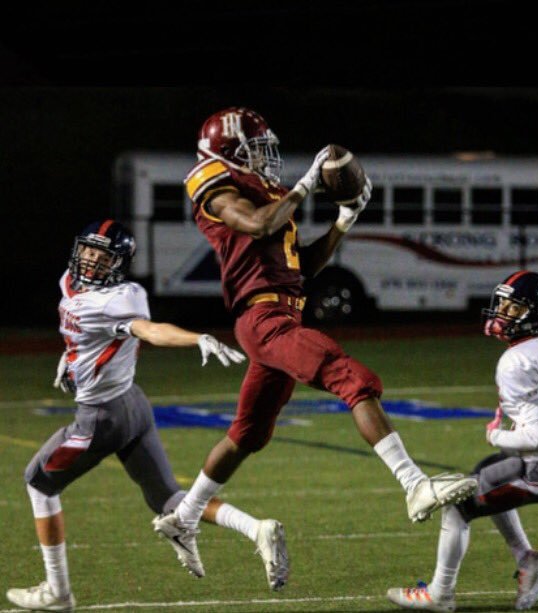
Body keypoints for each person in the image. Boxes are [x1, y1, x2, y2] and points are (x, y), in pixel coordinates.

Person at [152, 106, 478, 578]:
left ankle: (184, 518)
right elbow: (258, 224)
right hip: (263, 318)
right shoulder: (218, 188)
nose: (265, 158)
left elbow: (300, 268)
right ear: (228, 152)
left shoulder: (266, 196)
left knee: (248, 434)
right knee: (352, 378)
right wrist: (305, 185)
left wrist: (344, 220)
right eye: (255, 150)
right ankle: (414, 484)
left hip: (282, 311)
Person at [6, 219, 289, 612]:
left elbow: (151, 330)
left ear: (119, 263)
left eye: (102, 256)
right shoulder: (70, 282)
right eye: (88, 250)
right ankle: (255, 528)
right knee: (168, 498)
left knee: (38, 483)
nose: (91, 260)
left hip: (100, 419)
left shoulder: (116, 300)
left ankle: (57, 591)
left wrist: (196, 338)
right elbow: (83, 332)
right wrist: (70, 360)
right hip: (133, 406)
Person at [387, 270, 538, 612]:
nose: (502, 313)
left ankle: (440, 595)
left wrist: (496, 434)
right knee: (484, 472)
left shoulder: (519, 360)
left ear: (536, 313)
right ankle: (527, 558)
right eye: (501, 304)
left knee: (457, 506)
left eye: (513, 308)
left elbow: (537, 437)